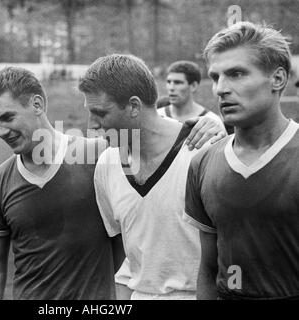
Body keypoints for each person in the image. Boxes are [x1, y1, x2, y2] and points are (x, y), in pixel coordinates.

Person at [78, 54, 226, 300]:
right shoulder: (107, 164)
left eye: (100, 113)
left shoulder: (204, 150)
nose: (92, 125)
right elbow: (126, 254)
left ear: (134, 106)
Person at [0, 67, 124, 300]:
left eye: (7, 117)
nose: (1, 132)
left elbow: (157, 149)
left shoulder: (100, 156)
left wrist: (200, 127)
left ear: (37, 104)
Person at [183, 22, 299, 300]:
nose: (221, 88)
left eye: (236, 74)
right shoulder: (203, 162)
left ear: (278, 79)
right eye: (215, 77)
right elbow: (209, 269)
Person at [159, 60, 228, 130]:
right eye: (169, 82)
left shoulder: (212, 122)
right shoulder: (158, 117)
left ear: (193, 86)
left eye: (178, 83)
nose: (171, 88)